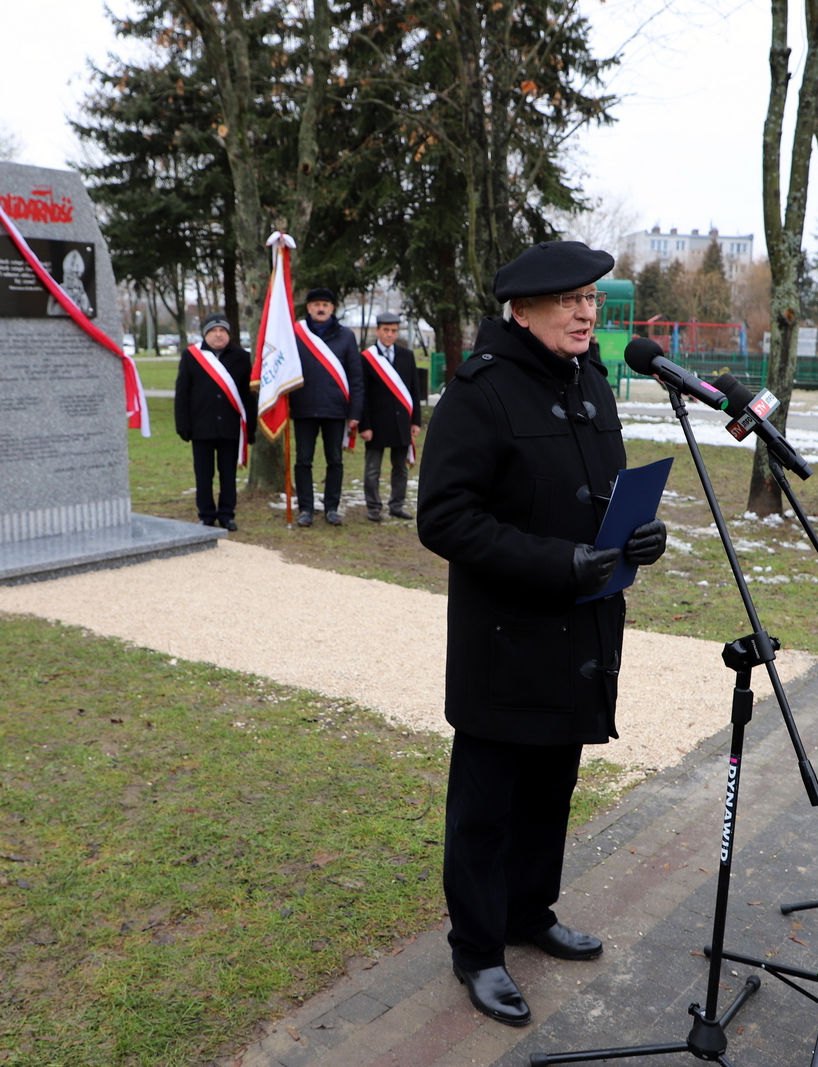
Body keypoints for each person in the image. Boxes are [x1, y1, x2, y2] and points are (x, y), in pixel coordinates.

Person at [417, 241, 668, 1028]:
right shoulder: (479, 393)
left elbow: (596, 492)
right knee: (487, 804)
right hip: (507, 637)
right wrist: (560, 560)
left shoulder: (591, 381)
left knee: (551, 789)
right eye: (567, 300)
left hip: (579, 631)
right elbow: (446, 517)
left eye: (591, 298)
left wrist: (635, 536)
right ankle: (479, 949)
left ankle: (530, 910)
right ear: (521, 311)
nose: (586, 312)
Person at [175, 313, 255, 531]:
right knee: (203, 474)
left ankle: (227, 514)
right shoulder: (191, 356)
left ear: (228, 334)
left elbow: (248, 395)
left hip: (231, 426)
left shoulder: (241, 356)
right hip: (202, 426)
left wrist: (252, 427)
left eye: (222, 331)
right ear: (205, 334)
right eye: (213, 331)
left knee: (228, 474)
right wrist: (183, 424)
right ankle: (207, 514)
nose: (218, 335)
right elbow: (182, 392)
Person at [291, 288, 363, 526]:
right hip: (303, 408)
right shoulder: (296, 334)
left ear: (332, 308)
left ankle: (332, 508)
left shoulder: (346, 336)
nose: (320, 308)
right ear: (309, 308)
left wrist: (354, 412)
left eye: (325, 304)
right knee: (303, 461)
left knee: (335, 461)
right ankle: (306, 509)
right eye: (315, 304)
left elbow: (356, 377)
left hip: (335, 410)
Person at [358, 312, 422, 522]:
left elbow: (414, 391)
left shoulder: (407, 355)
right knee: (373, 469)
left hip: (401, 422)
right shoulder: (367, 358)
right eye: (385, 330)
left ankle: (397, 505)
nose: (389, 334)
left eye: (394, 330)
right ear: (377, 331)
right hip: (376, 424)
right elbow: (363, 394)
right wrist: (364, 425)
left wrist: (415, 421)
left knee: (400, 468)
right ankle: (374, 506)